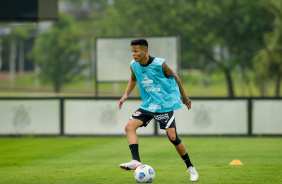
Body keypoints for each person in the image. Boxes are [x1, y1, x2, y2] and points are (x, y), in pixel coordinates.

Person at [118, 38, 198, 182]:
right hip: (148, 105)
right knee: (129, 127)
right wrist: (125, 95)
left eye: (136, 51)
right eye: (132, 51)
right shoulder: (133, 65)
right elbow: (133, 79)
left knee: (173, 137)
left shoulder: (160, 64)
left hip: (164, 105)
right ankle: (136, 160)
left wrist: (184, 97)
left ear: (145, 51)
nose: (133, 54)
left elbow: (176, 77)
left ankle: (191, 167)